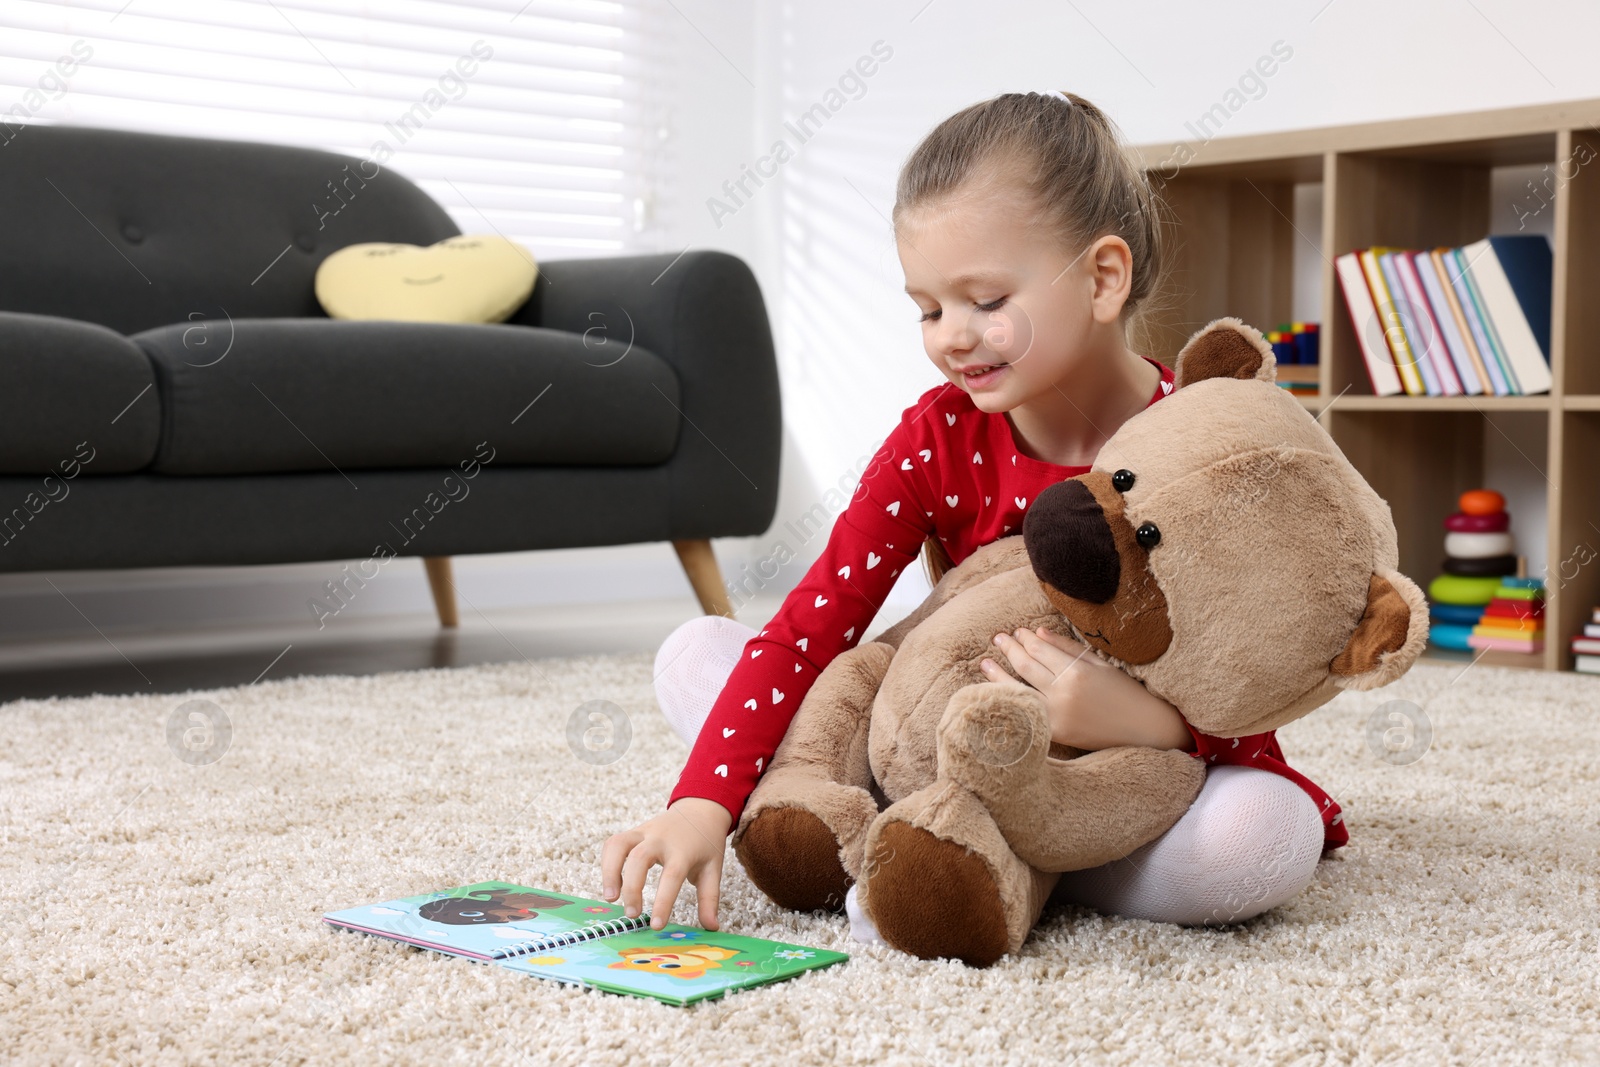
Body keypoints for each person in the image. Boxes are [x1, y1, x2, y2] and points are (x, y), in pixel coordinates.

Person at [600, 90, 1334, 937]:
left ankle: (992, 854)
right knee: (701, 653)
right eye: (927, 307)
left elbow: (1264, 666)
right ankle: (945, 840)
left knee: (1268, 834)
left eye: (984, 301)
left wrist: (1151, 722)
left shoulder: (1201, 439)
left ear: (1102, 278)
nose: (950, 336)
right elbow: (814, 626)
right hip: (946, 738)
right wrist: (699, 804)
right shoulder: (934, 438)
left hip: (1125, 772)